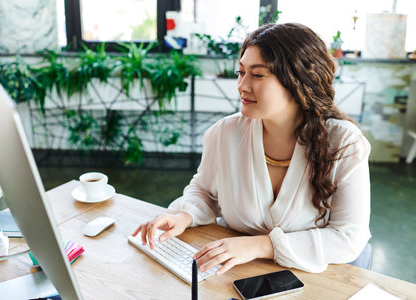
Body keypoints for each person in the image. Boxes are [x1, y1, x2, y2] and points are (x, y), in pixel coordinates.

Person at [132, 23, 371, 274]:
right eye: (241, 72)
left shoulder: (343, 143)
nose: (242, 86)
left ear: (298, 80)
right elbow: (204, 191)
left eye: (257, 75)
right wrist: (183, 216)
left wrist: (259, 245)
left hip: (307, 279)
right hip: (229, 271)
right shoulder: (224, 133)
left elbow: (348, 237)